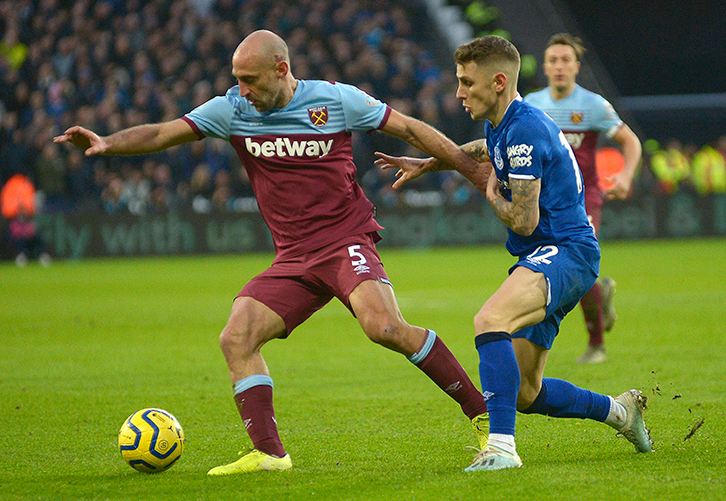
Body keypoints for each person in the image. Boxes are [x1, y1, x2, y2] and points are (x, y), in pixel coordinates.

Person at [54, 30, 492, 475]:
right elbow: (165, 133)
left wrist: (471, 170)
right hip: (293, 257)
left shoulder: (337, 101)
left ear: (281, 69)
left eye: (250, 79)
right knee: (237, 337)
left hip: (344, 241)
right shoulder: (232, 110)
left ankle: (482, 414)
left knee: (384, 327)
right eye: (237, 79)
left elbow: (411, 128)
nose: (242, 89)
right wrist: (110, 142)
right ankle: (269, 453)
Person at [375, 35, 653, 471]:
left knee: (490, 320)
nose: (459, 93)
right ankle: (620, 412)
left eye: (467, 83)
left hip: (565, 252)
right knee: (526, 392)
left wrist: (489, 194)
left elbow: (522, 221)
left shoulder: (524, 128)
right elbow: (486, 150)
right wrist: (427, 164)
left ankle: (501, 448)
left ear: (499, 81)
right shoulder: (504, 123)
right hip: (549, 255)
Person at [524, 33, 643, 364]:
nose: (559, 66)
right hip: (544, 199)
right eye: (553, 61)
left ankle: (596, 345)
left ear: (576, 67)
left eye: (566, 60)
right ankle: (598, 293)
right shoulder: (532, 105)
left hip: (584, 197)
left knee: (577, 265)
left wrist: (625, 176)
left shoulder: (593, 105)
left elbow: (631, 142)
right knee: (554, 267)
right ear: (545, 67)